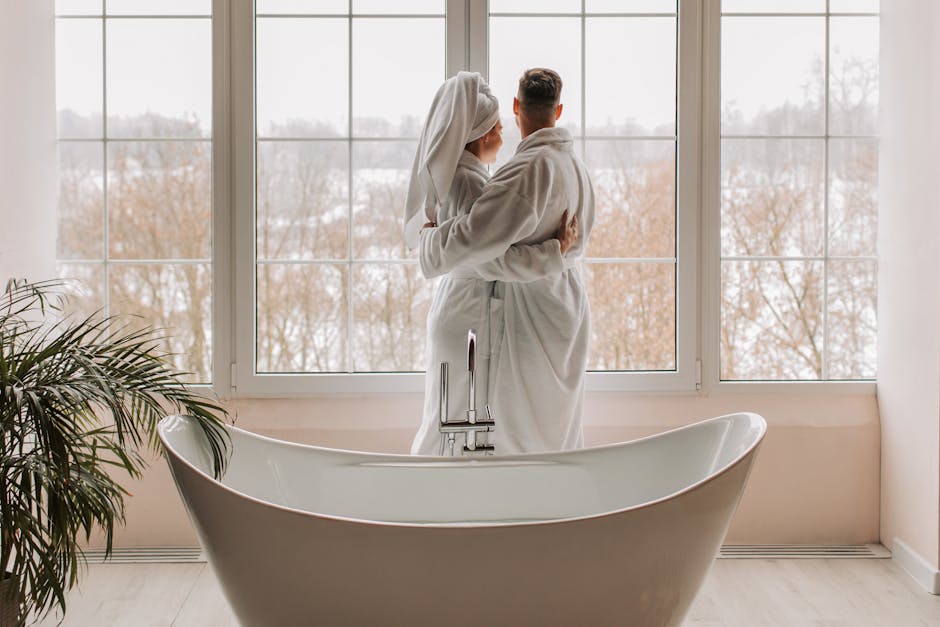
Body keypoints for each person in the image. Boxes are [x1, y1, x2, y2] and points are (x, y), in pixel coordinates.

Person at [418, 68, 595, 454]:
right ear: (559, 110)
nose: (502, 134)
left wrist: (432, 238)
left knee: (492, 430)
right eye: (495, 128)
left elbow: (478, 249)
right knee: (517, 430)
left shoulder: (515, 172)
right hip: (539, 307)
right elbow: (482, 255)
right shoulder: (573, 167)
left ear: (517, 106)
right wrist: (554, 253)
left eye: (503, 124)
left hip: (513, 310)